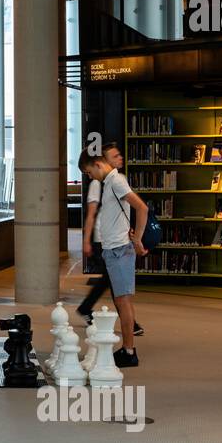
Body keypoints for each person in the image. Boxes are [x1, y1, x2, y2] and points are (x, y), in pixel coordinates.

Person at [78, 149, 149, 368]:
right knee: (121, 301)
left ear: (98, 164)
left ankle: (129, 352)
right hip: (113, 250)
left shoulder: (116, 181)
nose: (90, 177)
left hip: (120, 251)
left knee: (123, 302)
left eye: (89, 172)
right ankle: (128, 350)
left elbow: (142, 207)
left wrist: (137, 239)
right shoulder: (109, 182)